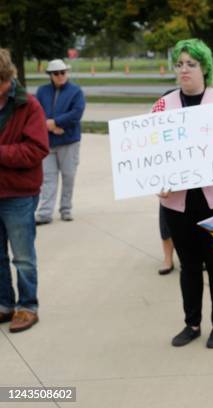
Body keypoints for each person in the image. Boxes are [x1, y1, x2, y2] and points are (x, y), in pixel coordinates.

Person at [153, 39, 213, 349]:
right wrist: (156, 181)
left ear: (204, 68)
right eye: (179, 64)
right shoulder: (164, 106)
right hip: (177, 206)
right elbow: (151, 152)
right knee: (188, 265)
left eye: (191, 64)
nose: (184, 70)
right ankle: (191, 322)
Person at [0, 49, 49, 333]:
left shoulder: (28, 105)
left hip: (18, 195)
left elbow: (37, 149)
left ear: (7, 78)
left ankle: (28, 306)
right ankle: (5, 304)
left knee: (23, 256)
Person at [34, 59, 85, 224]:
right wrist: (50, 126)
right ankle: (45, 213)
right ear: (50, 75)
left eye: (63, 72)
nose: (60, 76)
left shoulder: (76, 91)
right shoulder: (42, 91)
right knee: (48, 178)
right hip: (48, 142)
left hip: (69, 142)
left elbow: (76, 113)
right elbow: (36, 112)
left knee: (68, 176)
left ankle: (66, 209)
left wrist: (55, 122)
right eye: (56, 73)